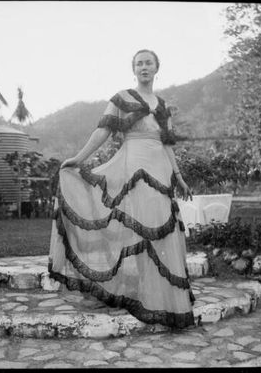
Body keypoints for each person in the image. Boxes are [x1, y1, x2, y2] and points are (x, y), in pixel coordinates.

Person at [48, 49, 195, 329]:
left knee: (162, 232)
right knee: (142, 230)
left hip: (160, 171)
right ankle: (144, 294)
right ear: (133, 69)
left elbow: (167, 144)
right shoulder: (122, 98)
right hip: (133, 168)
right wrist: (79, 158)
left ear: (156, 68)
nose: (143, 67)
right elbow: (102, 131)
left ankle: (160, 294)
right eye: (139, 63)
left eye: (148, 63)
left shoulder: (163, 105)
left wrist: (179, 176)